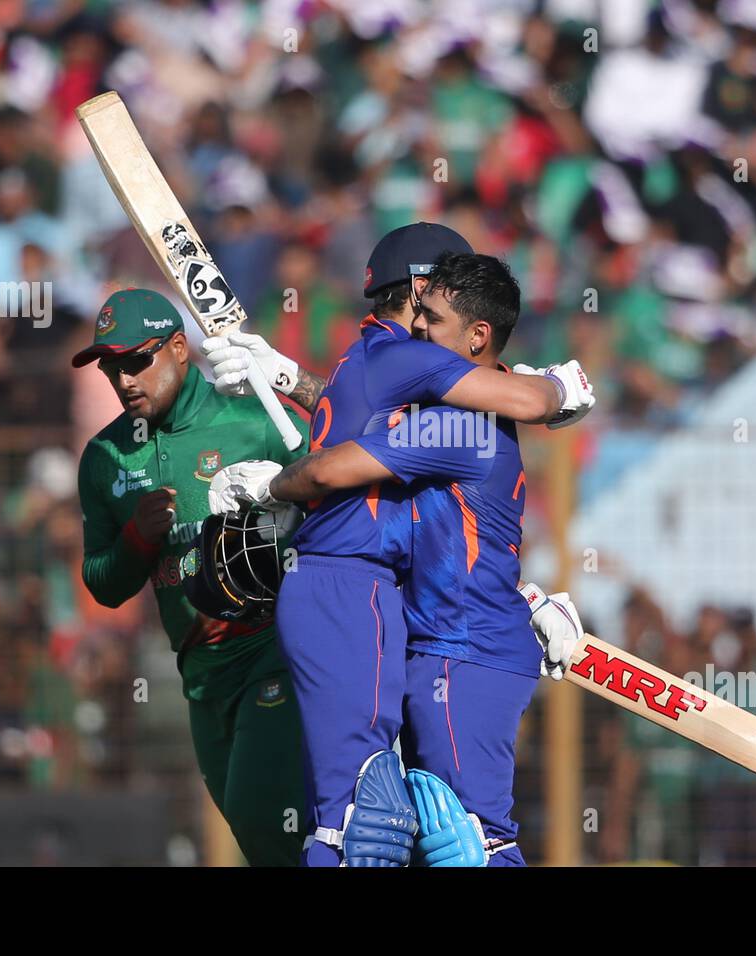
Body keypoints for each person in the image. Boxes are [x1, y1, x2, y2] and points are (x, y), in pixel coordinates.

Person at [203, 223, 595, 866]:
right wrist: (287, 378)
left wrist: (273, 481)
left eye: (435, 316)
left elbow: (340, 463)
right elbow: (391, 429)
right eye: (424, 307)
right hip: (419, 631)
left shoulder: (440, 411)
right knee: (388, 831)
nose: (420, 329)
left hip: (459, 645)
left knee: (456, 841)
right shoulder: (427, 395)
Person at [72, 287, 308, 866]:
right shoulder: (105, 457)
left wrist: (288, 509)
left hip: (273, 651)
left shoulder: (255, 420)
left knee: (263, 814)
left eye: (135, 361)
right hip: (199, 671)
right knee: (260, 840)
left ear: (180, 348)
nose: (123, 379)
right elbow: (103, 582)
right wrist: (138, 538)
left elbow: (348, 489)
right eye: (110, 366)